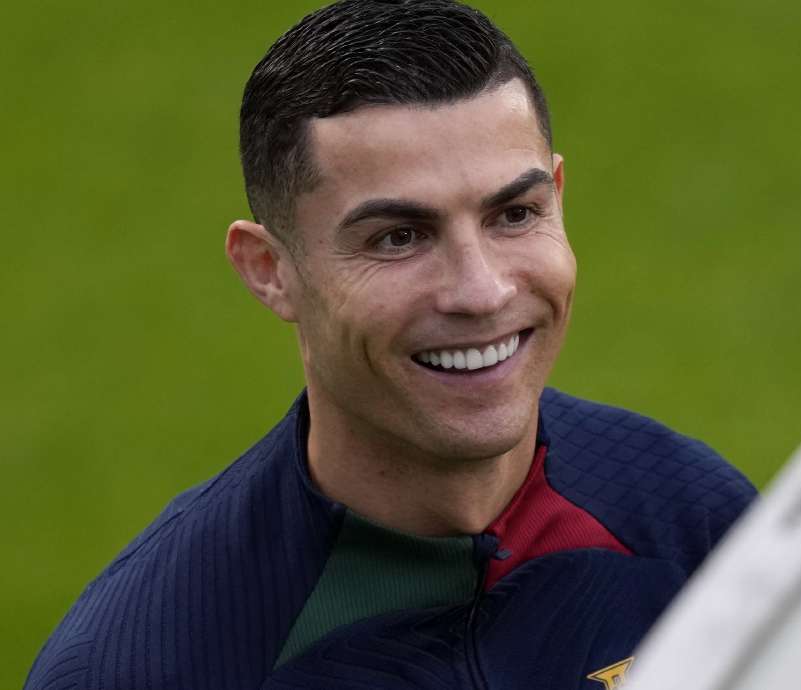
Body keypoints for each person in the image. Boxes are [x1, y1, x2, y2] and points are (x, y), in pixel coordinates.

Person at [24, 1, 756, 688]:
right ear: (270, 270)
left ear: (558, 197)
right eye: (399, 237)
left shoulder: (695, 522)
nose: (482, 292)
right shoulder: (144, 665)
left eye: (514, 214)